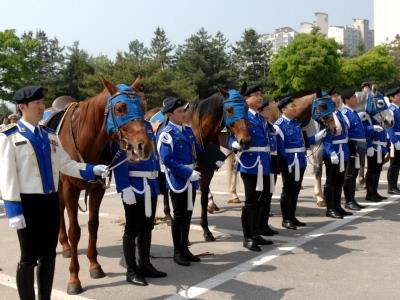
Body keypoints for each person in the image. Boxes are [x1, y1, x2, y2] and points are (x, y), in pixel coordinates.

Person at [0, 86, 108, 300]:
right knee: (28, 258)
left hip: (50, 202)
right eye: (37, 104)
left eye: (42, 102)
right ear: (22, 107)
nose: (42, 107)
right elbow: (6, 176)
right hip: (27, 204)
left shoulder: (50, 136)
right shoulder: (9, 137)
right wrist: (14, 211)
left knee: (48, 256)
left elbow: (65, 164)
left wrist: (90, 169)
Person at [113, 84, 167, 286]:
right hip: (134, 185)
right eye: (138, 99)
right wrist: (123, 187)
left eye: (144, 98)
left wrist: (158, 183)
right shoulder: (125, 128)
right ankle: (132, 270)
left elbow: (153, 158)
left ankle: (145, 264)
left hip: (150, 184)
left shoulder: (146, 126)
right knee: (132, 229)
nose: (142, 102)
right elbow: (119, 159)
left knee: (147, 227)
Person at [157, 97, 202, 266]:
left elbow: (198, 150)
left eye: (184, 111)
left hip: (191, 177)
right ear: (169, 114)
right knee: (179, 215)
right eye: (180, 112)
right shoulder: (166, 134)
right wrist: (188, 172)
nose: (184, 114)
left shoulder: (188, 130)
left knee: (188, 214)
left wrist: (215, 159)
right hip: (178, 178)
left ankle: (185, 248)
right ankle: (178, 251)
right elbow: (167, 160)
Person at [230, 85, 273, 251]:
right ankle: (248, 237)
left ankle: (255, 233)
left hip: (263, 161)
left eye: (261, 94)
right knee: (250, 201)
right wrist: (233, 143)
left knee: (261, 199)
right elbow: (231, 134)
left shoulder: (260, 118)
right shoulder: (243, 116)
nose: (260, 97)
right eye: (256, 95)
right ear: (246, 99)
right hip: (250, 163)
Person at [274, 96, 327, 230]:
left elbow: (304, 142)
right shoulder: (279, 125)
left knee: (296, 190)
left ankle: (292, 216)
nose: (295, 108)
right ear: (284, 109)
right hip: (289, 161)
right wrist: (284, 164)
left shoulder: (295, 123)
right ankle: (286, 219)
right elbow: (280, 148)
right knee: (288, 189)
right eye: (292, 106)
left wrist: (318, 136)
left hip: (300, 160)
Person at [341, 89, 382, 210]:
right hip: (351, 146)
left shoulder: (353, 112)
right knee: (349, 175)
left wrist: (372, 128)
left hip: (359, 146)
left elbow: (361, 131)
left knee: (354, 174)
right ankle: (349, 201)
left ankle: (352, 199)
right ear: (347, 100)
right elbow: (345, 133)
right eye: (353, 97)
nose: (356, 98)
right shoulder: (345, 113)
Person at [321, 91, 353, 218]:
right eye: (334, 96)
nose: (337, 98)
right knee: (331, 181)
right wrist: (331, 152)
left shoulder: (338, 113)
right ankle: (330, 208)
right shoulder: (326, 115)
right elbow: (326, 136)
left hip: (343, 149)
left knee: (339, 180)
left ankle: (337, 206)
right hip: (333, 151)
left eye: (337, 95)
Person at [258, 99, 280, 235]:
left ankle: (264, 224)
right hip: (262, 161)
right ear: (260, 111)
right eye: (266, 110)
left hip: (272, 160)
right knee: (261, 196)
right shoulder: (260, 124)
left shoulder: (269, 125)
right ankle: (258, 225)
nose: (269, 112)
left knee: (268, 195)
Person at [362, 92, 388, 202]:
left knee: (377, 170)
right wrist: (370, 146)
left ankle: (375, 192)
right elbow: (364, 132)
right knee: (372, 170)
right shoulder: (366, 116)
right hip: (373, 146)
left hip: (380, 147)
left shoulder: (379, 116)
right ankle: (369, 193)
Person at [386, 87, 400, 194]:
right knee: (394, 164)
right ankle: (391, 187)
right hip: (395, 139)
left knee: (398, 163)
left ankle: (395, 185)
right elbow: (389, 127)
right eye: (398, 95)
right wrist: (395, 141)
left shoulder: (398, 108)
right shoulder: (391, 110)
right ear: (391, 98)